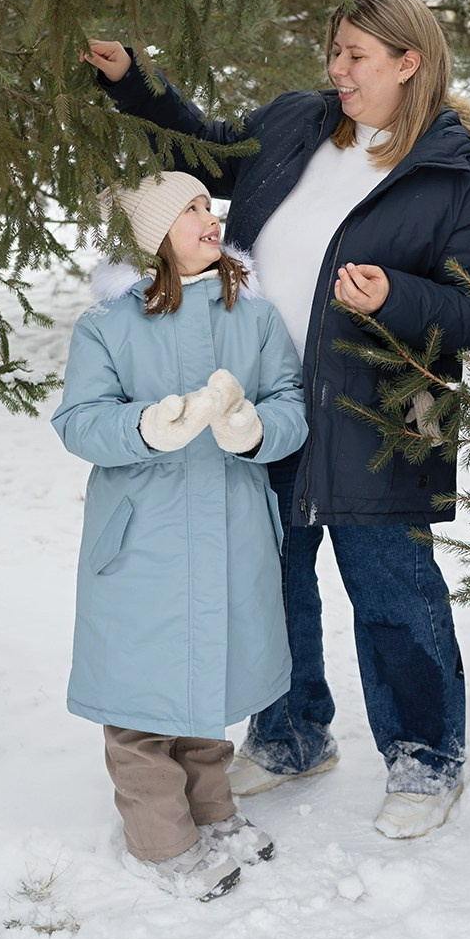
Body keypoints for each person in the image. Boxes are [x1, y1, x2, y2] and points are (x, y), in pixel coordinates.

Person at [81, 0, 470, 839]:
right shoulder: (296, 122)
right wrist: (136, 83)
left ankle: (425, 758)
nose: (337, 69)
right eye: (335, 51)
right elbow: (210, 152)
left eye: (357, 56)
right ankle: (288, 735)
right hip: (262, 401)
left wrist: (398, 295)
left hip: (379, 416)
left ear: (410, 62)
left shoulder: (457, 172)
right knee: (270, 578)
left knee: (391, 588)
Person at [51, 171, 308, 900]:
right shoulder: (107, 326)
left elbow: (289, 399)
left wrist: (256, 428)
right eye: (190, 209)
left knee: (208, 677)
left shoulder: (253, 318)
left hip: (230, 523)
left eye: (209, 204)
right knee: (140, 699)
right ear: (155, 236)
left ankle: (211, 811)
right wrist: (143, 427)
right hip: (144, 537)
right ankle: (160, 841)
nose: (209, 217)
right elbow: (79, 422)